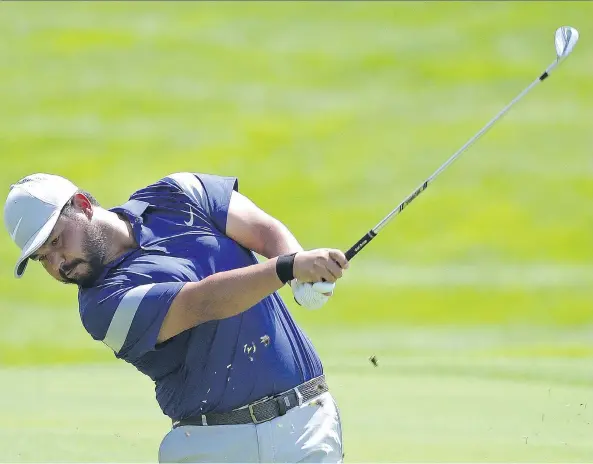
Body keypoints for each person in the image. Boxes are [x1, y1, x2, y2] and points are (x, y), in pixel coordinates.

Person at [3, 172, 349, 463]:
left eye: (57, 241)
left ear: (82, 206)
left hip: (307, 424)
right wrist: (288, 268)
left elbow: (263, 230)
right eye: (42, 259)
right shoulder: (102, 308)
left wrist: (301, 267)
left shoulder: (180, 193)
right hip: (213, 446)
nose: (58, 264)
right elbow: (203, 302)